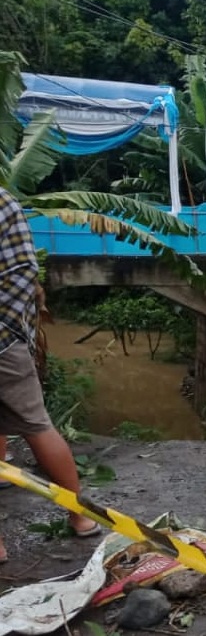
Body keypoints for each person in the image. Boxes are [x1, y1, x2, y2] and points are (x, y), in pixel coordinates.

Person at [0, 187, 101, 563]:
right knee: (35, 424)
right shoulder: (5, 203)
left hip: (3, 336)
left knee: (35, 426)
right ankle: (80, 517)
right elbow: (24, 275)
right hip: (9, 337)